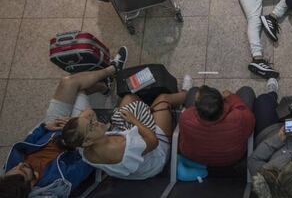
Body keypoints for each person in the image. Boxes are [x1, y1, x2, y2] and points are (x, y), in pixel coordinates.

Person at [0, 46, 128, 198]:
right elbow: (89, 158)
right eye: (23, 170)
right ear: (31, 184)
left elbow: (26, 144)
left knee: (68, 83)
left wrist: (44, 127)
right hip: (79, 139)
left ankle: (112, 71)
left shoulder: (8, 177)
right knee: (80, 90)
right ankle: (104, 84)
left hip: (53, 130)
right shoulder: (58, 182)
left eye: (15, 167)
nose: (19, 164)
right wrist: (73, 125)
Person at [59, 73, 189, 180]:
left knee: (128, 98)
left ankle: (151, 111)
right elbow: (153, 142)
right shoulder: (119, 147)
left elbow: (89, 114)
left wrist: (76, 121)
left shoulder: (83, 148)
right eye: (91, 127)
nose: (96, 122)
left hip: (132, 151)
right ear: (87, 141)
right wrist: (134, 121)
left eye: (90, 122)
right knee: (163, 99)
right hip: (156, 156)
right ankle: (186, 94)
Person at [179, 80, 255, 167]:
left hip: (196, 158)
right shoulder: (238, 118)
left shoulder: (186, 117)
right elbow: (251, 122)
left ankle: (187, 90)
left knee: (193, 91)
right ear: (223, 104)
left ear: (196, 107)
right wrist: (231, 97)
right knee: (246, 91)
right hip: (232, 159)